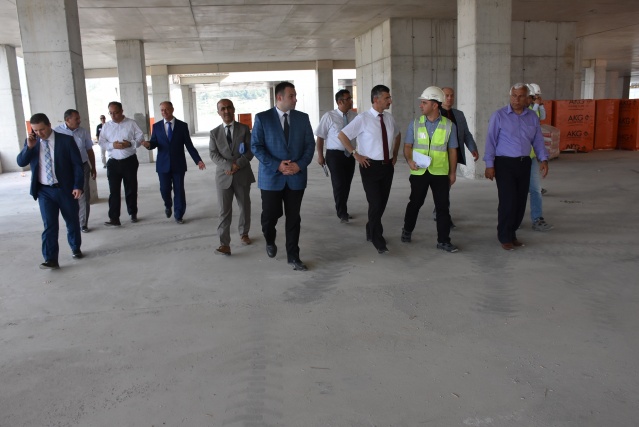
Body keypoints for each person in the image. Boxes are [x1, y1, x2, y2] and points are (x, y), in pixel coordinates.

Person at [251, 82, 315, 271]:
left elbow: (310, 145)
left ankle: (293, 256)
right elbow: (256, 146)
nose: (295, 99)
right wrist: (277, 165)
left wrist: (299, 165)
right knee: (270, 216)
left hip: (296, 177)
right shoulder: (263, 118)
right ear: (280, 98)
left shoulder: (303, 118)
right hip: (271, 177)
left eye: (295, 96)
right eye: (291, 96)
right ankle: (270, 239)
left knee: (294, 218)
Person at [484, 83, 549, 250]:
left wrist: (543, 159)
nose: (516, 99)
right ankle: (504, 236)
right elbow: (491, 141)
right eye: (514, 96)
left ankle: (512, 233)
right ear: (510, 96)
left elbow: (538, 140)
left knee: (520, 201)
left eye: (520, 96)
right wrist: (489, 165)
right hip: (504, 163)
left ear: (527, 98)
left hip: (524, 163)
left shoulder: (532, 117)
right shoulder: (499, 116)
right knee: (508, 200)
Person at [338, 84, 401, 254]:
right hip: (370, 166)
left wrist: (395, 154)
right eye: (387, 98)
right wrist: (355, 154)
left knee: (382, 203)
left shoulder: (389, 118)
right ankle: (377, 239)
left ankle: (370, 227)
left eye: (389, 97)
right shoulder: (363, 118)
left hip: (387, 166)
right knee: (375, 202)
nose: (390, 101)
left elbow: (397, 134)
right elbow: (342, 135)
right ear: (376, 99)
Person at [17, 113, 84, 269]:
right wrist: (29, 147)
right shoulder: (32, 142)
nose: (39, 133)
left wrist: (78, 186)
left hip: (66, 189)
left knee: (72, 221)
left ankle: (75, 247)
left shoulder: (66, 140)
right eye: (35, 130)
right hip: (44, 191)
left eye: (42, 129)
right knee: (49, 225)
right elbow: (21, 162)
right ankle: (51, 259)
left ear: (49, 125)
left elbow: (77, 165)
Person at [401, 86, 460, 253]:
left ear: (435, 105)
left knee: (442, 207)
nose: (421, 105)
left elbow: (452, 150)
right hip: (419, 171)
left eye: (424, 102)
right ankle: (407, 229)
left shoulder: (449, 125)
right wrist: (409, 160)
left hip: (440, 173)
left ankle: (444, 241)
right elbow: (407, 146)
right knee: (415, 203)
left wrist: (453, 173)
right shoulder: (415, 124)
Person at [141, 101, 205, 224]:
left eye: (166, 109)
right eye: (162, 110)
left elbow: (189, 145)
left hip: (178, 164)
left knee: (179, 190)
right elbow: (154, 143)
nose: (164, 112)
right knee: (164, 189)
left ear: (172, 109)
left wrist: (198, 160)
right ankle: (168, 204)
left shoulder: (182, 126)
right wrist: (148, 144)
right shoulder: (157, 126)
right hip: (162, 164)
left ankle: (179, 215)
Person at [209, 99, 255, 255]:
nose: (226, 111)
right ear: (218, 112)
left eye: (228, 108)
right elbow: (213, 154)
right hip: (224, 176)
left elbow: (250, 150)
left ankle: (244, 233)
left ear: (233, 109)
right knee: (224, 211)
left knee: (244, 206)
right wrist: (228, 166)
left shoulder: (244, 129)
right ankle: (224, 244)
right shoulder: (214, 133)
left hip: (242, 174)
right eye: (222, 109)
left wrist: (237, 165)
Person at [434, 87, 480, 228]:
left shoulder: (458, 115)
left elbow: (466, 133)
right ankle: (442, 213)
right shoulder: (434, 113)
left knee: (446, 186)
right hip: (438, 157)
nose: (449, 98)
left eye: (452, 95)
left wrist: (472, 148)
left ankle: (440, 211)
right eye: (446, 95)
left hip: (453, 156)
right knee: (443, 187)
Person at [315, 89, 358, 223]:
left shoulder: (355, 116)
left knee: (347, 184)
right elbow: (320, 137)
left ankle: (343, 208)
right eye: (348, 99)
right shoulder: (329, 116)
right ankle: (342, 213)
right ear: (340, 102)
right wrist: (320, 155)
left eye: (351, 98)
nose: (351, 101)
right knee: (339, 183)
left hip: (350, 155)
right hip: (334, 155)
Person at [98, 101, 144, 226]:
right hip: (113, 163)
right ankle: (114, 218)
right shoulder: (106, 126)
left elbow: (140, 138)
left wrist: (130, 144)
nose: (113, 115)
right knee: (114, 191)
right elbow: (101, 142)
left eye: (116, 112)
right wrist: (112, 145)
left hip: (129, 161)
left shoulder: (131, 123)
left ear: (122, 111)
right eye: (111, 113)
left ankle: (132, 213)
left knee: (131, 188)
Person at [54, 109, 97, 233]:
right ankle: (72, 221)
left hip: (82, 166)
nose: (79, 121)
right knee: (68, 195)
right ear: (67, 120)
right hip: (65, 169)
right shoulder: (56, 132)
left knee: (83, 195)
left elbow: (89, 150)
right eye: (76, 119)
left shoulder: (83, 132)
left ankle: (83, 223)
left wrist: (93, 167)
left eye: (79, 118)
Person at [526, 83, 553, 232]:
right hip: (515, 159)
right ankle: (513, 220)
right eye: (532, 97)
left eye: (533, 97)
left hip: (531, 158)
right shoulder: (516, 115)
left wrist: (543, 158)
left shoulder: (533, 109)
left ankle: (537, 218)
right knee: (516, 192)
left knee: (535, 190)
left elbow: (541, 118)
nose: (532, 99)